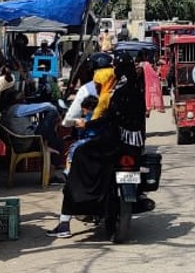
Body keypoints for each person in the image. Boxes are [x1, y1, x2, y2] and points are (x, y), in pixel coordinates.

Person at [48, 57, 147, 239]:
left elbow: (108, 119)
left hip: (114, 143)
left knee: (79, 156)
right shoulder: (136, 90)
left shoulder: (115, 93)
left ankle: (73, 210)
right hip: (134, 147)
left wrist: (88, 125)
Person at [64, 94, 99, 174]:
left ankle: (68, 172)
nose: (83, 112)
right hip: (96, 140)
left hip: (91, 140)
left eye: (83, 110)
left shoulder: (88, 118)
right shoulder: (100, 115)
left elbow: (83, 133)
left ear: (89, 108)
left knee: (73, 147)